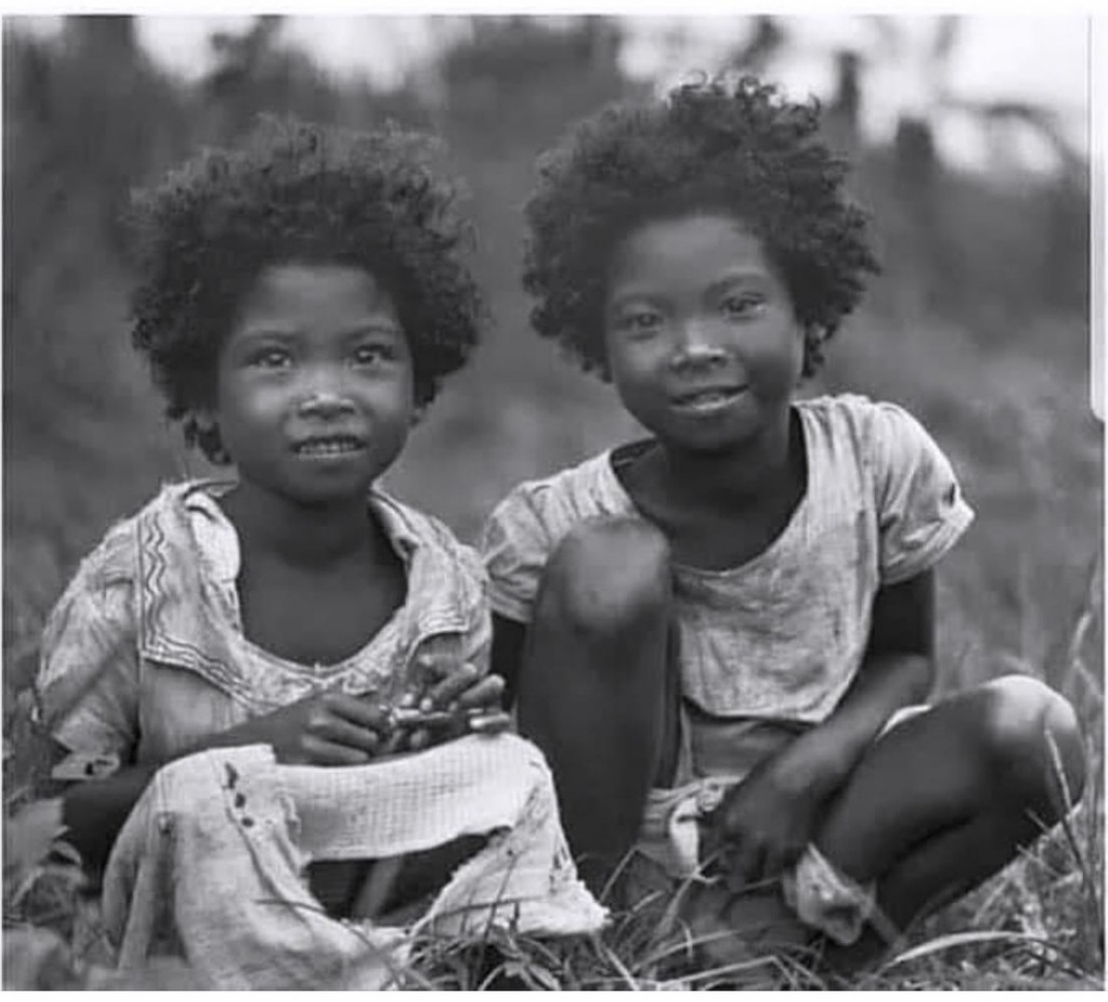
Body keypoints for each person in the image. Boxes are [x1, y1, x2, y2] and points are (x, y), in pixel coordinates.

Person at [480, 77, 1085, 974]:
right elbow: (503, 729)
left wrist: (803, 775)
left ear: (808, 310)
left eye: (737, 305)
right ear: (597, 344)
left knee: (1039, 727)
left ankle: (822, 961)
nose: (694, 346)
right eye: (647, 321)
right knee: (612, 565)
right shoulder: (553, 525)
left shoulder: (878, 459)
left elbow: (906, 658)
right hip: (625, 859)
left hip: (828, 825)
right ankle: (598, 949)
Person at [34, 118, 604, 990]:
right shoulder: (141, 580)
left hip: (379, 908)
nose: (328, 394)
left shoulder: (446, 590)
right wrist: (252, 752)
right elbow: (43, 822)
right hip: (184, 947)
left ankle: (453, 966)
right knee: (206, 799)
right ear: (205, 394)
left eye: (369, 356)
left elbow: (436, 806)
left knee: (513, 770)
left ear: (419, 382)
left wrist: (452, 736)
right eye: (275, 361)